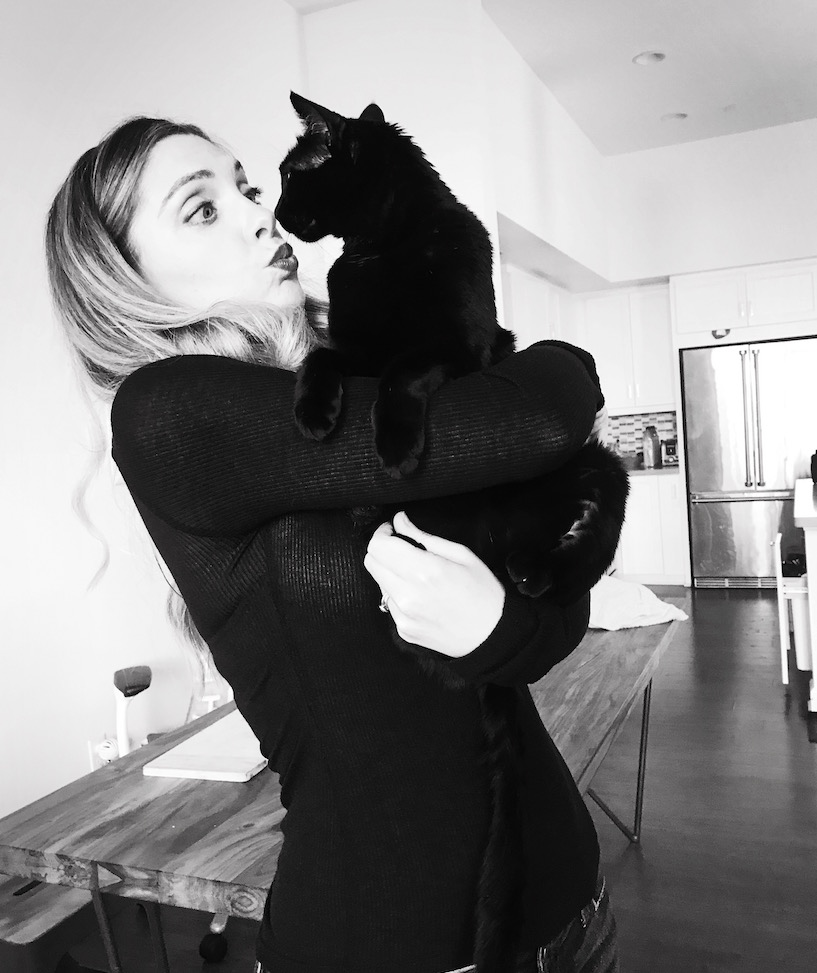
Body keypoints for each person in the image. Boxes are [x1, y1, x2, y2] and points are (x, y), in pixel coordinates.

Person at [46, 116, 620, 973]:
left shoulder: (353, 377)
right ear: (123, 282)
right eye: (201, 208)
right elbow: (536, 418)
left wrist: (500, 628)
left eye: (245, 188)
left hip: (574, 910)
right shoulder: (167, 413)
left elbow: (555, 600)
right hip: (393, 945)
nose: (258, 215)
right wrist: (572, 359)